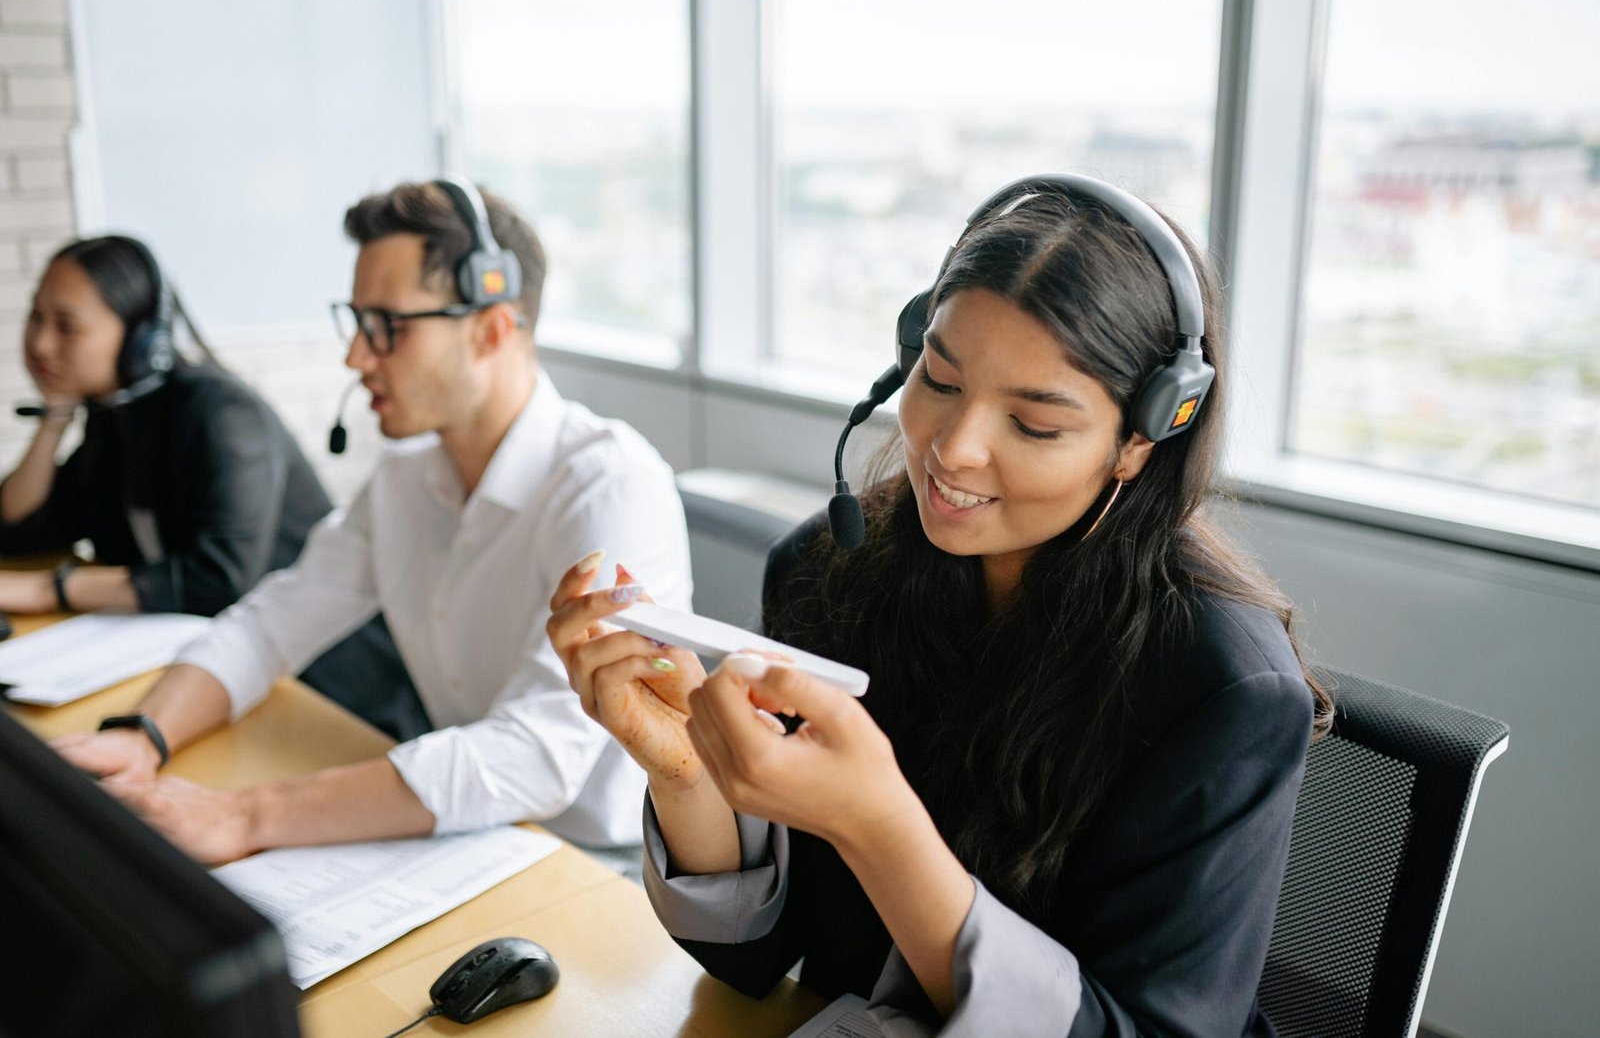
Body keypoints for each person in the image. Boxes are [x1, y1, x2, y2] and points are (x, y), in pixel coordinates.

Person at [548, 176, 1332, 1035]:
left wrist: (879, 826)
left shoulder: (1221, 688)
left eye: (1034, 426)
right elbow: (757, 959)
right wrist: (683, 767)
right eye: (941, 378)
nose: (952, 449)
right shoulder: (827, 569)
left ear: (1140, 440)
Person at [51, 178, 692, 862]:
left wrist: (245, 814)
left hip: (606, 867)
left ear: (492, 328)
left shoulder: (609, 486)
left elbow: (540, 752)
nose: (355, 357)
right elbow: (270, 624)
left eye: (387, 326)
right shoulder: (405, 476)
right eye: (356, 322)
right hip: (474, 835)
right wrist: (142, 733)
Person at [0, 235, 418, 738]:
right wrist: (54, 418)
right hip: (213, 672)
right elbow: (19, 532)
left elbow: (220, 579)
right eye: (36, 318)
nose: (42, 343)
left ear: (140, 339)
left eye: (66, 325)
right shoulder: (113, 418)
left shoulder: (222, 414)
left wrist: (52, 591)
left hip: (327, 683)